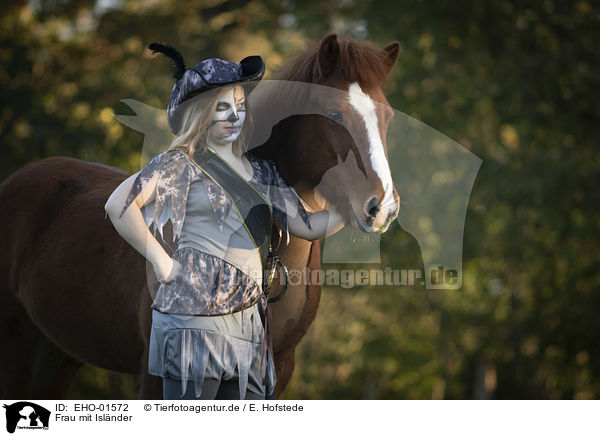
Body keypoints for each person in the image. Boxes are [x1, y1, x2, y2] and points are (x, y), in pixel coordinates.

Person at [104, 43, 346, 400]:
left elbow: (308, 226)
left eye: (240, 107)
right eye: (223, 108)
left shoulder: (262, 173)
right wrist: (161, 261)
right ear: (200, 114)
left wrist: (354, 208)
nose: (235, 116)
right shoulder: (179, 163)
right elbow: (117, 206)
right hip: (193, 322)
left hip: (249, 326)